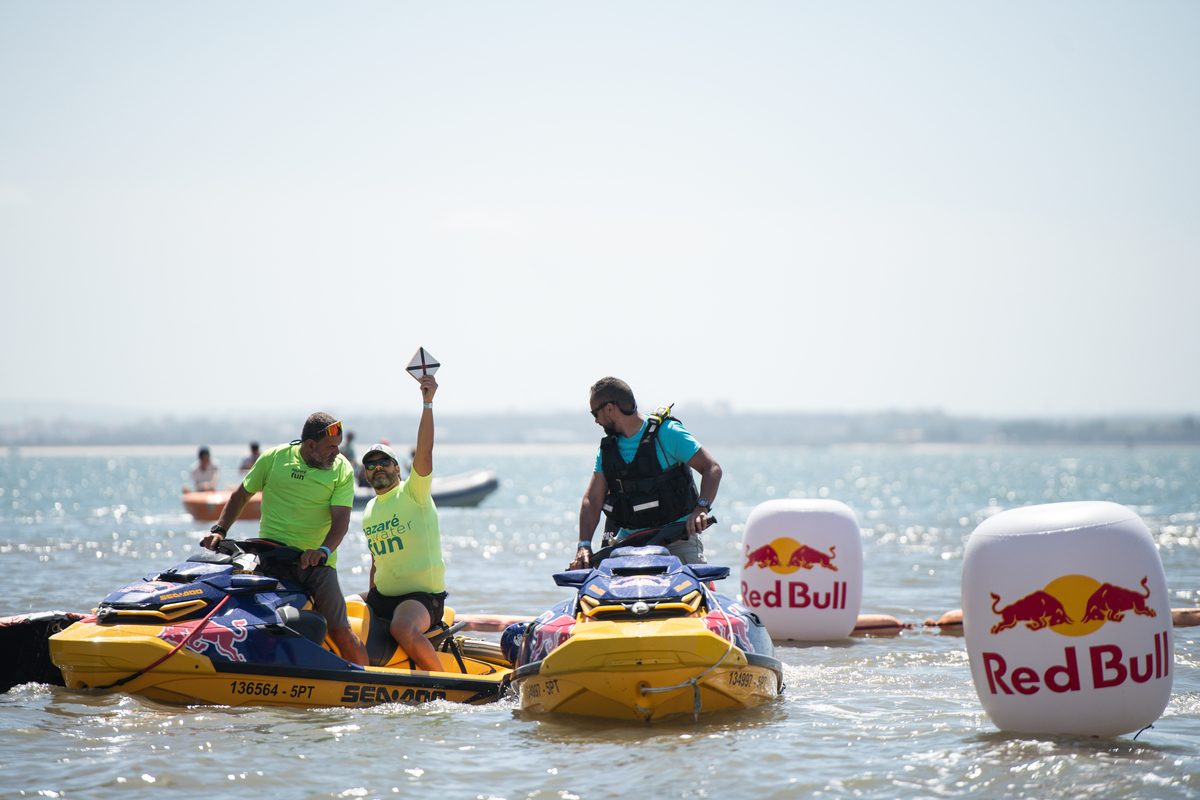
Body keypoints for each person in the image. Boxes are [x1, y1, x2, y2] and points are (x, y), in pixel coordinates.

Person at [199, 414, 368, 665]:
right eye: (331, 447)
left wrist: (322, 550)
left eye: (339, 445)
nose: (337, 452)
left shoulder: (341, 468)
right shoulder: (274, 458)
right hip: (270, 560)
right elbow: (240, 497)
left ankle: (370, 679)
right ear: (310, 445)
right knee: (246, 616)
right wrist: (219, 530)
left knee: (340, 631)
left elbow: (341, 521)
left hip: (316, 566)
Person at [569, 377, 721, 570]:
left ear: (610, 409)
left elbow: (712, 468)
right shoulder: (608, 449)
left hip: (678, 539)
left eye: (595, 413)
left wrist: (701, 508)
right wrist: (584, 545)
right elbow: (592, 499)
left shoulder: (668, 433)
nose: (597, 420)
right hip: (629, 542)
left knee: (697, 590)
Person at [356, 375, 445, 672]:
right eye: (371, 464)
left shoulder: (413, 492)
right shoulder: (369, 509)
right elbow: (376, 561)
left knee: (402, 629)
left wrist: (427, 402)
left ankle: (444, 685)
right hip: (382, 597)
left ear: (397, 468)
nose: (377, 467)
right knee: (334, 611)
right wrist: (370, 603)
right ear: (366, 474)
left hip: (420, 599)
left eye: (384, 462)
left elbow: (425, 453)